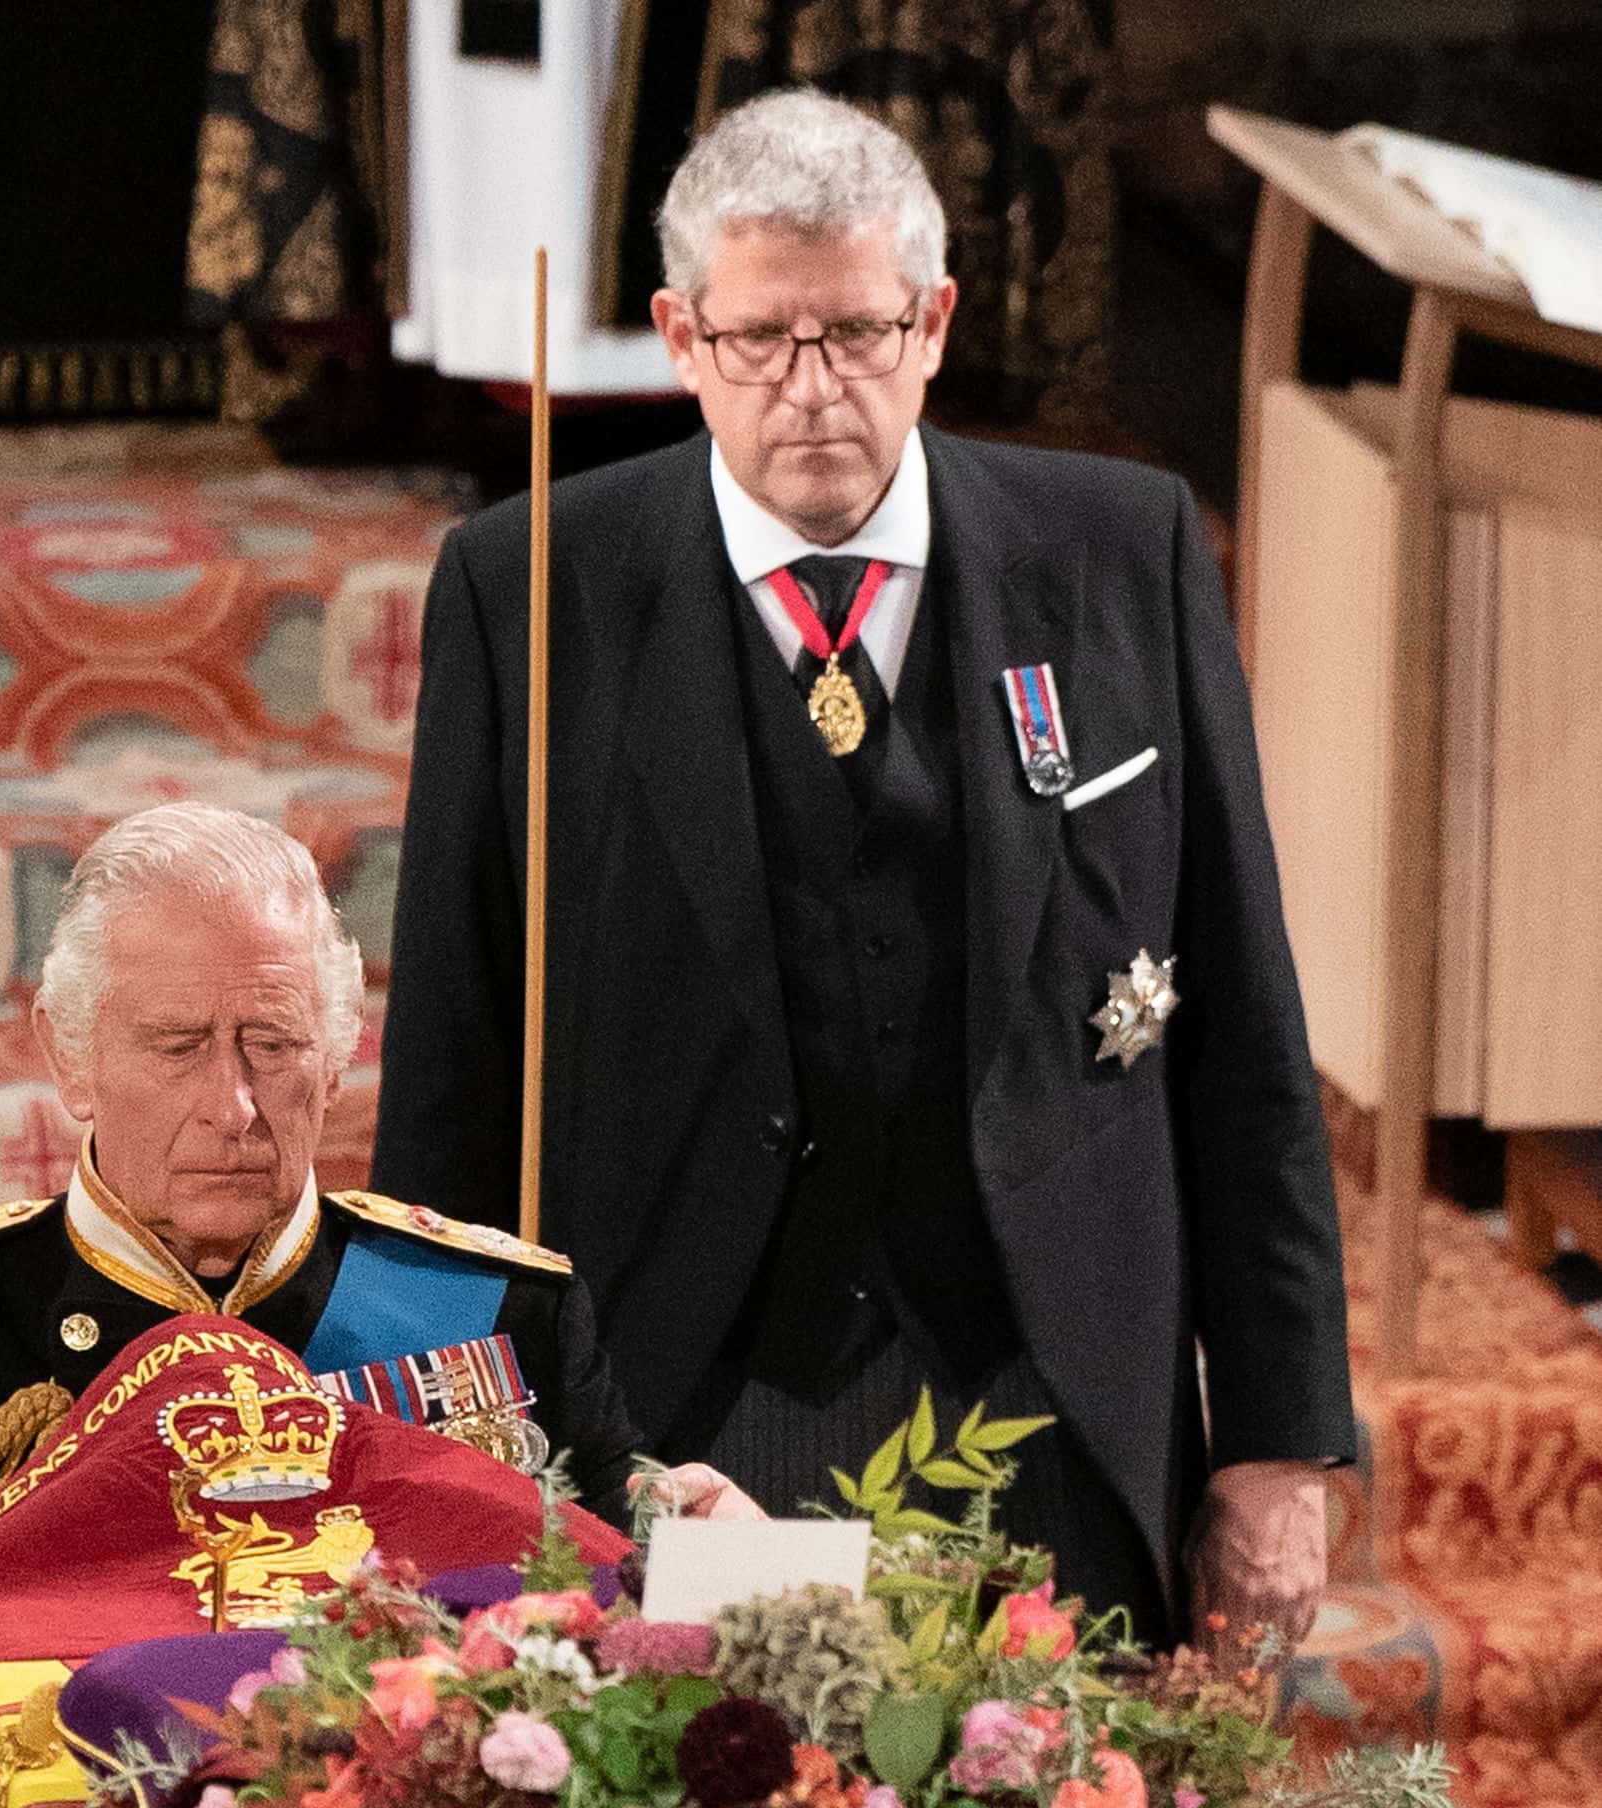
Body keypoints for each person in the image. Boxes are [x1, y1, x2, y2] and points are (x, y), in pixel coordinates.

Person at [372, 87, 1356, 1650]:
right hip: (708, 1418)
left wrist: (1283, 1438)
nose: (813, 388)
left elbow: (1242, 1022)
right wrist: (427, 1468)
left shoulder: (1123, 551)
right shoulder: (530, 592)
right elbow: (448, 1064)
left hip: (1049, 1396)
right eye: (762, 340)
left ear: (938, 321)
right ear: (679, 337)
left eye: (860, 333)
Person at [0, 804, 743, 1808]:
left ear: (338, 1052)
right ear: (69, 1055)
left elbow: (637, 1646)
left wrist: (726, 1568)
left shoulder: (502, 1312)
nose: (232, 1105)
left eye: (272, 1043)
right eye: (178, 1045)